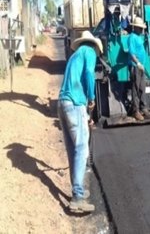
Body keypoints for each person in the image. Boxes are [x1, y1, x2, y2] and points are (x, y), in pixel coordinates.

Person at [57, 30, 103, 213]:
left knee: (72, 150)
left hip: (62, 103)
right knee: (82, 148)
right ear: (93, 44)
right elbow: (88, 75)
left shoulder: (75, 55)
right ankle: (77, 197)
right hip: (74, 103)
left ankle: (78, 191)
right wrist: (91, 98)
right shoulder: (89, 52)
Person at [127, 17, 150, 121]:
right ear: (135, 27)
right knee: (135, 89)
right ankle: (135, 111)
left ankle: (143, 108)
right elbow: (132, 53)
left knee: (142, 87)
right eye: (140, 28)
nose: (142, 30)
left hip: (141, 67)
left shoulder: (138, 37)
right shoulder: (132, 37)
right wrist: (137, 63)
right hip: (135, 67)